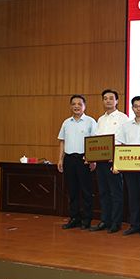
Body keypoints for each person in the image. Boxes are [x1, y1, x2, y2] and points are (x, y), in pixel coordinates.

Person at [115, 96, 140, 236]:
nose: (139, 109)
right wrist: (117, 164)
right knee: (133, 197)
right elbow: (120, 145)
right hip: (130, 168)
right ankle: (134, 225)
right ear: (132, 108)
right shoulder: (125, 126)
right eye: (136, 106)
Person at [91, 89, 129, 234]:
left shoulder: (123, 118)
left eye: (111, 98)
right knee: (103, 192)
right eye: (105, 98)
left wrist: (118, 161)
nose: (108, 101)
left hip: (114, 160)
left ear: (117, 101)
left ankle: (116, 222)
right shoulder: (100, 119)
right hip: (101, 161)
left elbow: (125, 141)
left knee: (116, 193)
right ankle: (105, 220)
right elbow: (96, 140)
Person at [57, 94, 97, 230]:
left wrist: (92, 160)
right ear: (70, 106)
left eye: (79, 104)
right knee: (72, 190)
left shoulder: (90, 121)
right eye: (74, 104)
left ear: (84, 106)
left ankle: (87, 219)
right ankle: (74, 218)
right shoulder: (66, 123)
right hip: (69, 159)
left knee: (86, 191)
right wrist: (60, 159)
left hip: (84, 160)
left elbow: (94, 142)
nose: (76, 106)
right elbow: (62, 142)